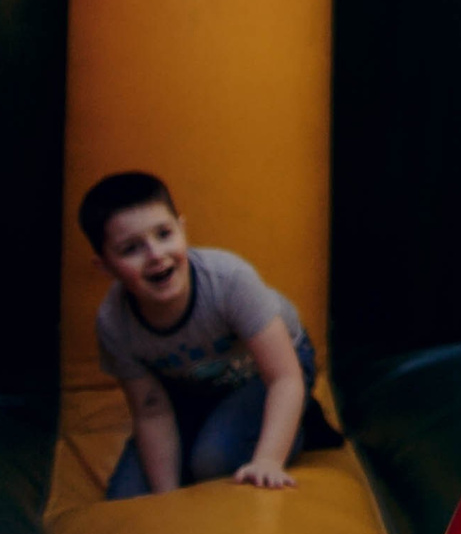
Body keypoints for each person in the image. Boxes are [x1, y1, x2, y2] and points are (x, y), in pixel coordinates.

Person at [81, 171, 330, 498]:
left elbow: (284, 377)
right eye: (131, 249)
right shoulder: (115, 323)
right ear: (106, 267)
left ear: (182, 229)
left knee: (214, 461)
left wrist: (268, 460)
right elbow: (152, 411)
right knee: (129, 497)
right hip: (195, 390)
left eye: (164, 234)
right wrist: (167, 497)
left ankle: (300, 422)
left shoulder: (228, 281)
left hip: (274, 371)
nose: (156, 255)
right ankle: (217, 426)